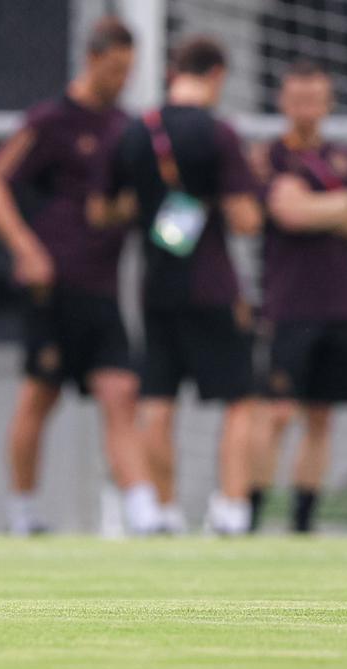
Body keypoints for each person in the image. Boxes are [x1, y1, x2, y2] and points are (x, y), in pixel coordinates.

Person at [0, 17, 163, 536]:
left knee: (121, 393)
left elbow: (130, 205)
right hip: (52, 286)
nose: (122, 79)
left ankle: (144, 512)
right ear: (91, 59)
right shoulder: (51, 120)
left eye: (129, 70)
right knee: (40, 396)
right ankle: (22, 512)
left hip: (103, 287)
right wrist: (25, 248)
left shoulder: (126, 128)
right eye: (115, 68)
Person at [92, 37, 262, 534]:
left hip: (156, 287)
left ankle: (165, 512)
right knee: (239, 401)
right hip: (213, 286)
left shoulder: (134, 132)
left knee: (158, 403)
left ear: (172, 73)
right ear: (217, 75)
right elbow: (246, 220)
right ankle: (232, 509)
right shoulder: (219, 134)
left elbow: (101, 211)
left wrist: (150, 207)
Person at [249, 60, 347, 533]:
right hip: (287, 305)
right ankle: (248, 516)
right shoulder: (266, 156)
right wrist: (343, 204)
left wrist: (318, 207)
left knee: (321, 417)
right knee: (276, 414)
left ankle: (303, 523)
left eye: (314, 99)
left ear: (329, 103)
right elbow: (286, 214)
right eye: (298, 99)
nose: (306, 109)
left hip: (339, 304)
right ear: (282, 102)